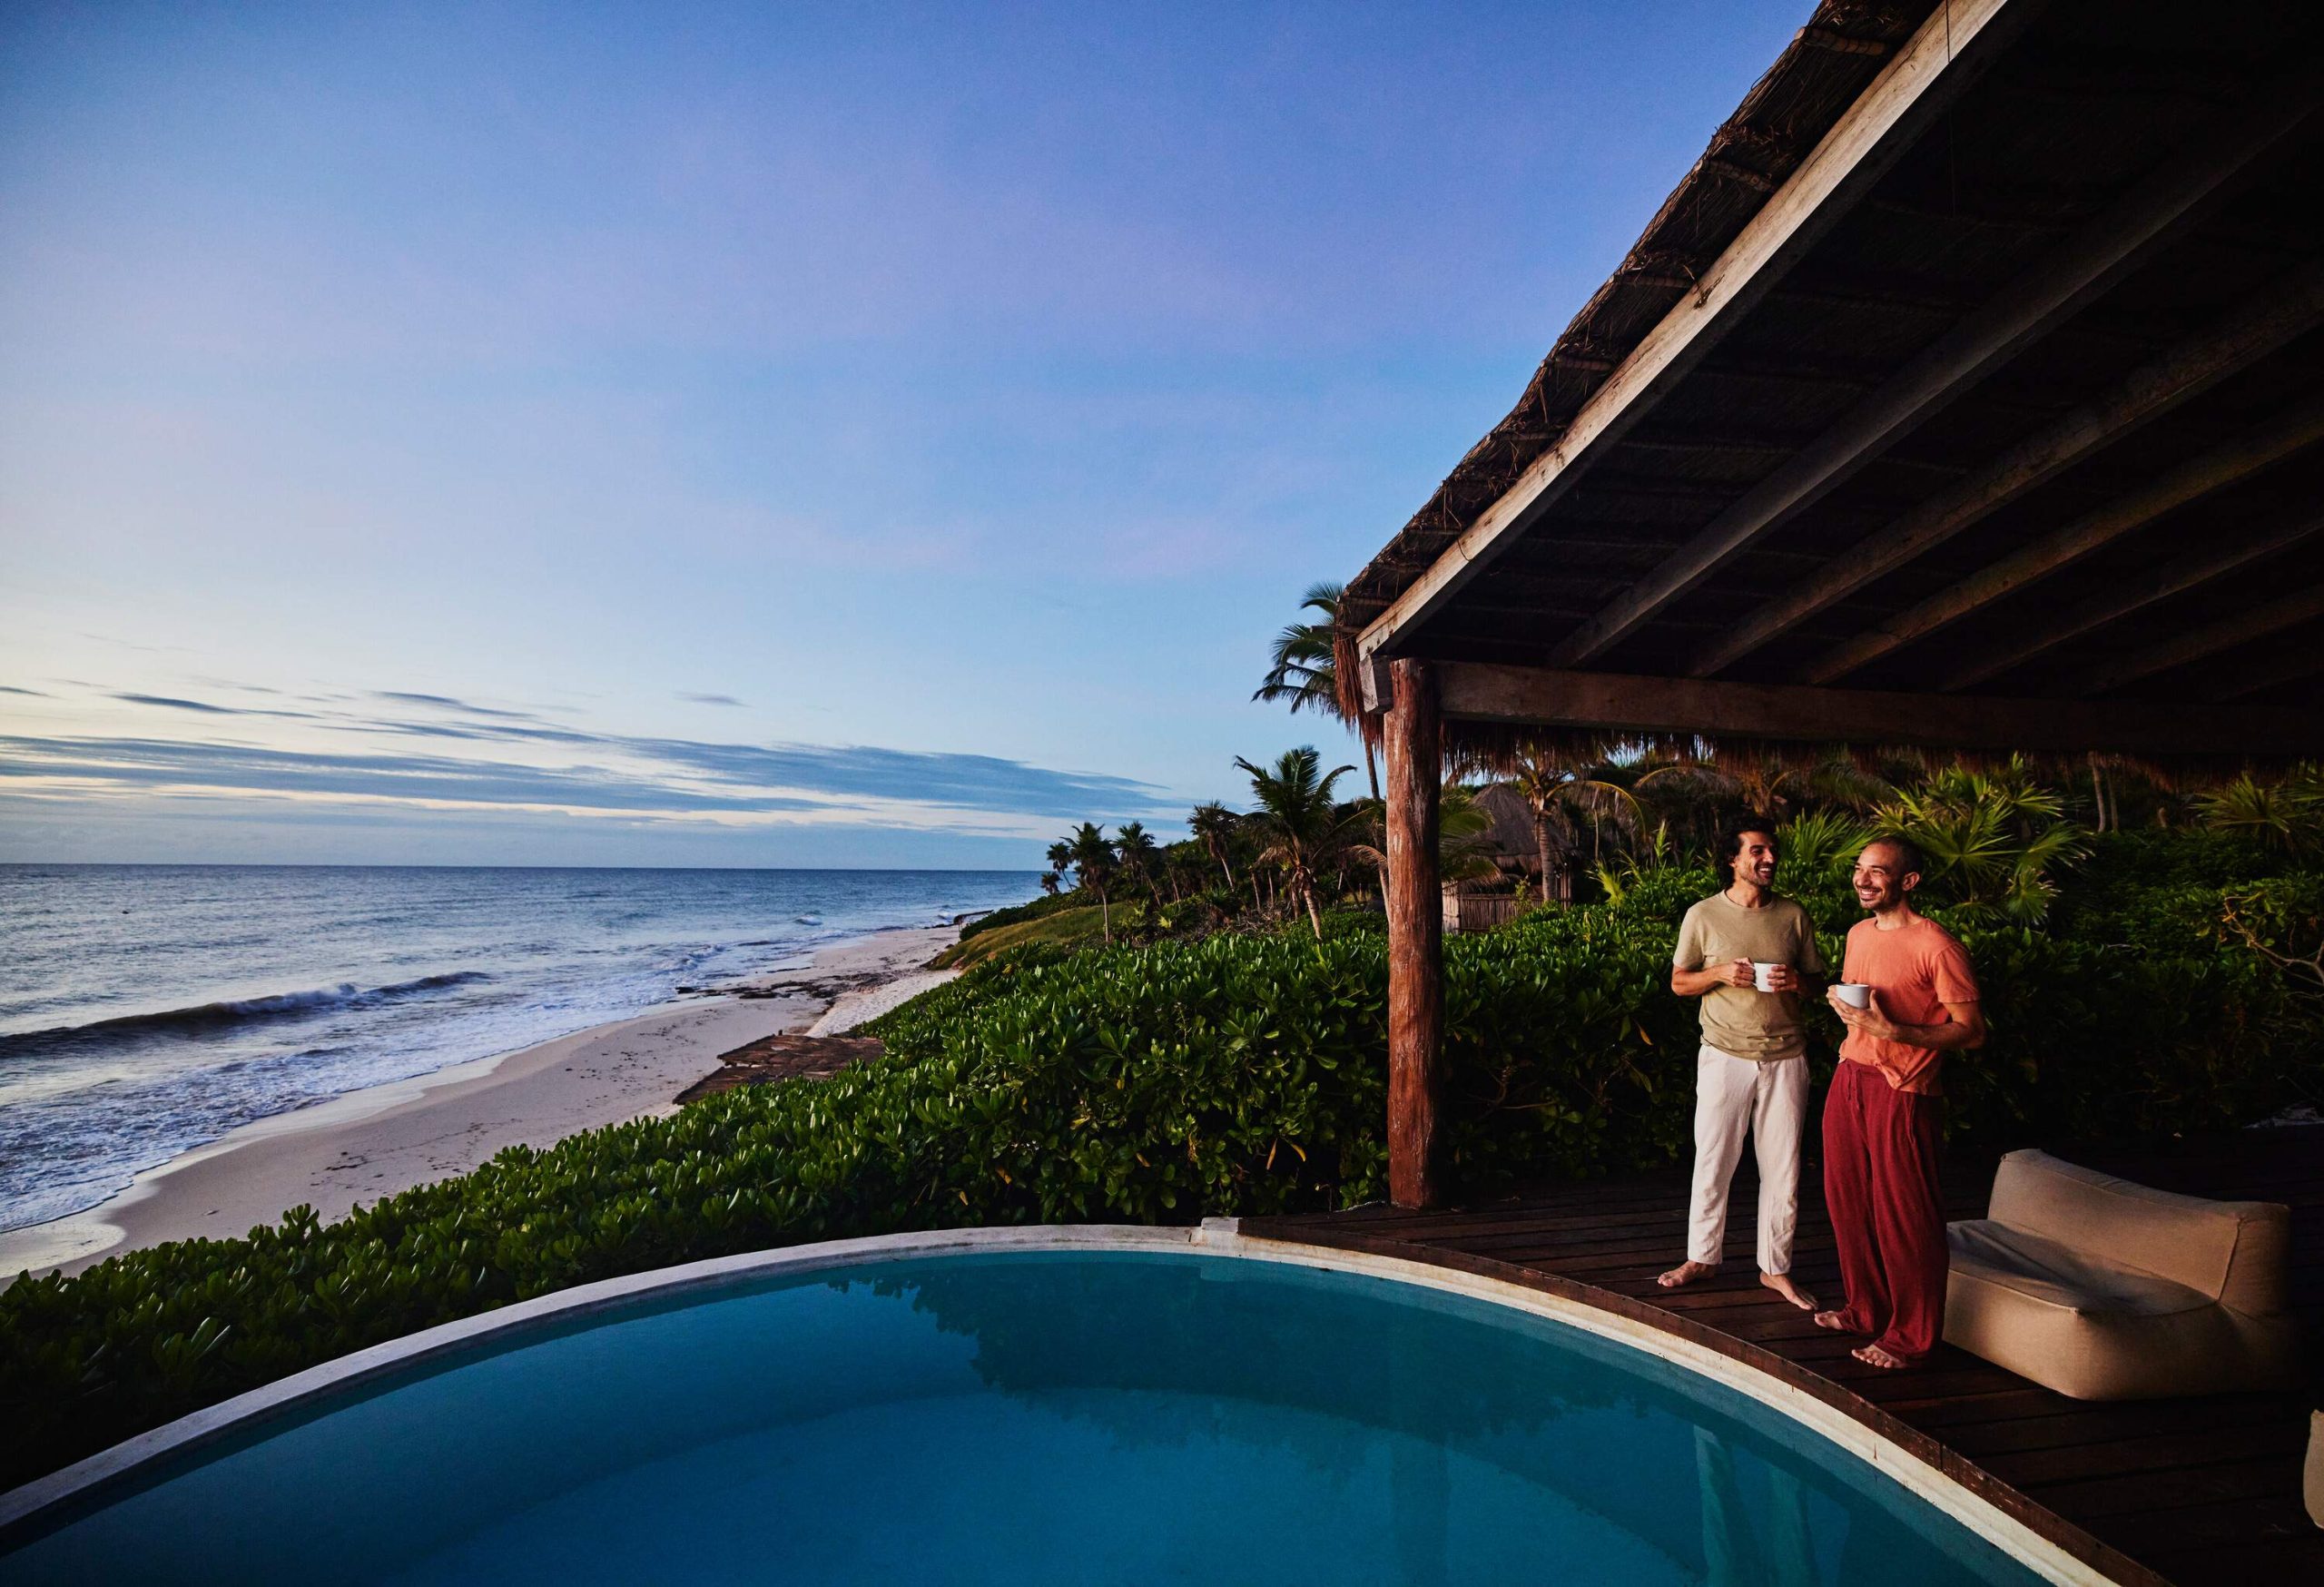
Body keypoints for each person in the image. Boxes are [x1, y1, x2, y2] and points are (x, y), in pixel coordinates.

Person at [1818, 836, 1986, 1369]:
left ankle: (1912, 1336)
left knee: (1905, 1215)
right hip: (1849, 1076)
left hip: (1903, 1090)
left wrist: (1895, 1030)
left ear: (1908, 882)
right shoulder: (1858, 933)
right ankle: (1865, 1309)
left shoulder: (1938, 946)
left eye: (1877, 872)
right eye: (1859, 869)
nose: (1863, 881)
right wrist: (1845, 1010)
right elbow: (1863, 1007)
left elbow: (1972, 1032)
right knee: (1848, 1202)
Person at [1659, 820, 1824, 1309]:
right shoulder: (1703, 915)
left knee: (1784, 1168)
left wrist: (1798, 982)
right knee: (1714, 1160)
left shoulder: (1794, 916)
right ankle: (1702, 1257)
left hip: (1786, 1058)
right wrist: (1718, 973)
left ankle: (1775, 1269)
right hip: (1725, 1056)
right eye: (1758, 851)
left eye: (1772, 850)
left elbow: (1817, 983)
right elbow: (1679, 983)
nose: (1769, 858)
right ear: (1734, 860)